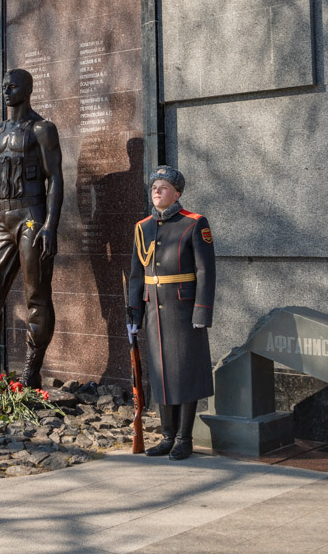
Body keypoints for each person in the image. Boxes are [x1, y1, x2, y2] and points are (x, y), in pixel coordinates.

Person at [0, 68, 63, 388]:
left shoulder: (42, 129)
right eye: (3, 86)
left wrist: (51, 224)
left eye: (12, 86)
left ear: (28, 89)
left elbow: (55, 179)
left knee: (36, 293)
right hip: (3, 220)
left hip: (30, 216)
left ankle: (30, 371)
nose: (6, 91)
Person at [125, 166, 215, 460]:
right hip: (154, 311)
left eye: (163, 187)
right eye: (154, 187)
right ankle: (166, 435)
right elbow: (137, 275)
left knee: (185, 372)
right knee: (161, 372)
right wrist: (134, 315)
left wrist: (201, 312)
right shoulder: (143, 227)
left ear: (176, 193)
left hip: (183, 309)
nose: (157, 191)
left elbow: (205, 271)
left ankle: (183, 438)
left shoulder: (194, 223)